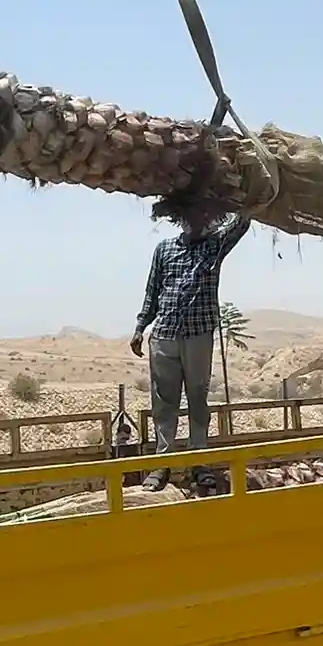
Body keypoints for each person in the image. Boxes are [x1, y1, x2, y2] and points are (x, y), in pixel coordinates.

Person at [130, 207, 249, 489]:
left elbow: (242, 223)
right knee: (164, 402)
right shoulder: (164, 249)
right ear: (179, 218)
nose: (193, 221)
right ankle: (162, 465)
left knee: (198, 399)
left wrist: (239, 193)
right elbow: (152, 291)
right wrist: (139, 327)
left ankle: (199, 463)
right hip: (164, 334)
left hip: (198, 335)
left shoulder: (215, 245)